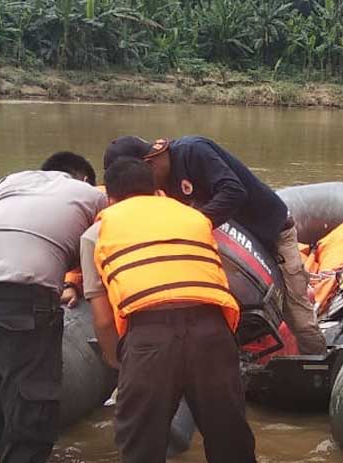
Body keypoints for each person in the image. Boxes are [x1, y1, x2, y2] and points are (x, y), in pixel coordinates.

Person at [80, 157, 261, 463]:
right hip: (212, 331)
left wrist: (117, 361)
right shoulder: (194, 218)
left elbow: (104, 319)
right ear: (158, 190)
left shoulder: (97, 232)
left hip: (149, 334)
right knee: (230, 435)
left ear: (110, 199)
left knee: (139, 449)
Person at [0, 151, 108, 463]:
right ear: (83, 178)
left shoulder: (13, 182)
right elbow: (100, 246)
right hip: (23, 295)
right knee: (33, 391)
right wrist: (75, 284)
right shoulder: (94, 196)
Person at [102, 135, 326, 356]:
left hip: (271, 235)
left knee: (300, 318)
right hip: (228, 248)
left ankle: (318, 370)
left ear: (150, 163)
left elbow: (233, 191)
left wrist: (193, 225)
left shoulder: (193, 151)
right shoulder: (159, 187)